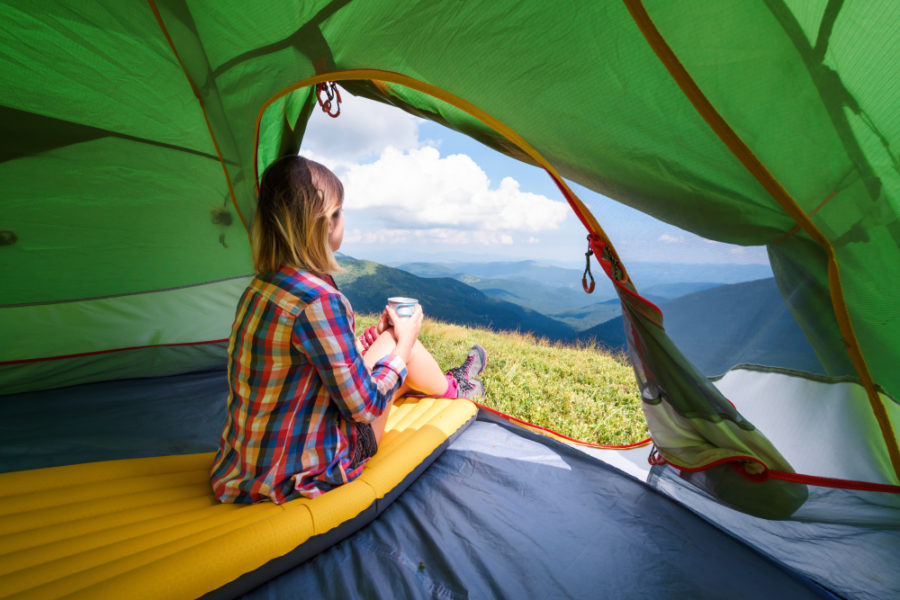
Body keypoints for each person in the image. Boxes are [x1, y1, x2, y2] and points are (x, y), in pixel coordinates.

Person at [210, 155, 487, 504]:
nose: (344, 219)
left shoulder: (261, 287)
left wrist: (354, 346)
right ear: (324, 224)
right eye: (340, 211)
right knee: (401, 348)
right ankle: (454, 389)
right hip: (299, 474)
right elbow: (364, 407)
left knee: (387, 347)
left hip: (243, 468)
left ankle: (444, 383)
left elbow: (297, 366)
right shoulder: (320, 300)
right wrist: (404, 343)